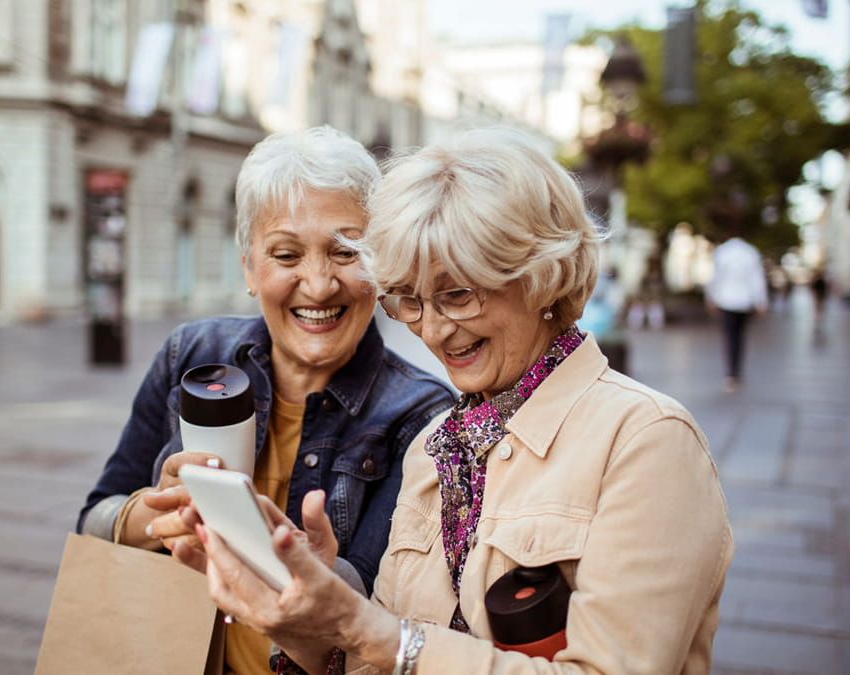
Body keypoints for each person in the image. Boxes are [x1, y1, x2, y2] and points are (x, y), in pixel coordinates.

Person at [174, 128, 733, 674]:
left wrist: (365, 627)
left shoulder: (645, 441)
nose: (436, 330)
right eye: (409, 302)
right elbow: (375, 659)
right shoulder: (435, 447)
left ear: (542, 274)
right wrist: (304, 608)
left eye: (457, 294)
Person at [76, 126, 454, 673]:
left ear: (381, 268)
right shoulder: (191, 354)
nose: (319, 284)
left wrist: (307, 570)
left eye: (346, 251)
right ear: (250, 268)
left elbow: (385, 613)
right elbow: (93, 521)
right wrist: (152, 515)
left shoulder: (422, 416)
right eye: (286, 254)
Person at [705, 228, 768, 392]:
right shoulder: (751, 252)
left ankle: (731, 373)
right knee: (740, 336)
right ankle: (736, 370)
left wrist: (711, 298)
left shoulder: (722, 252)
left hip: (726, 301)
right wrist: (760, 301)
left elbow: (715, 277)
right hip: (744, 301)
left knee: (730, 336)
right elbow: (756, 278)